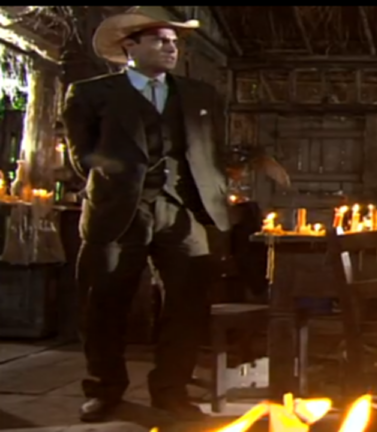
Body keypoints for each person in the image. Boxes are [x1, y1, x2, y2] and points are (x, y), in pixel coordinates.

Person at [63, 7, 289, 422]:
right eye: (159, 40)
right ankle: (104, 389)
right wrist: (125, 175)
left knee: (187, 304)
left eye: (174, 42)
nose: (171, 48)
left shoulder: (200, 95)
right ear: (130, 47)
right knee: (104, 303)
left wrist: (241, 170)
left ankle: (171, 391)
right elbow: (83, 157)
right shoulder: (91, 93)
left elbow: (209, 151)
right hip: (118, 211)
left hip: (184, 211)